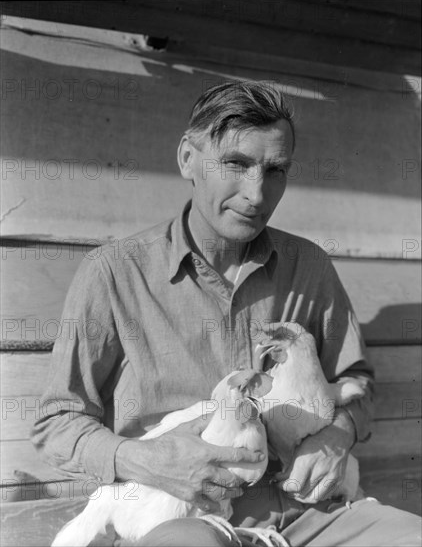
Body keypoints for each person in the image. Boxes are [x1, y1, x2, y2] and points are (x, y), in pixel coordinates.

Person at [32, 81, 421, 546]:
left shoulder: (310, 266)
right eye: (236, 164)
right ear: (187, 160)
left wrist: (336, 436)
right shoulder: (114, 274)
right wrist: (150, 460)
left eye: (275, 170)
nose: (257, 194)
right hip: (184, 519)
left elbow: (355, 385)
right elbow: (58, 422)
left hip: (312, 515)